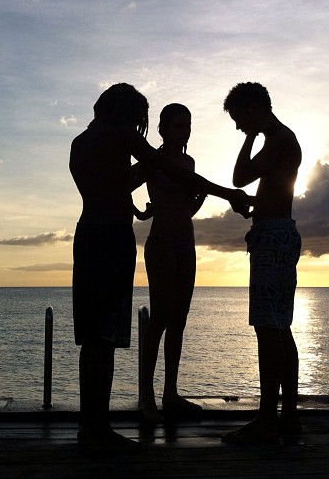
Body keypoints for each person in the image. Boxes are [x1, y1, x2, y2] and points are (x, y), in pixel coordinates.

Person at [69, 83, 251, 452]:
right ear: (126, 112)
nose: (140, 126)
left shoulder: (80, 143)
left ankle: (91, 427)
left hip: (87, 236)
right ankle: (101, 429)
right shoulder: (122, 136)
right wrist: (229, 194)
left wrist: (138, 208)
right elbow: (171, 171)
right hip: (113, 239)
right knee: (106, 337)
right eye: (139, 118)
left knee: (92, 338)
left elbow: (113, 186)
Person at [221, 82, 302, 444]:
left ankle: (268, 419)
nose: (239, 126)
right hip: (276, 232)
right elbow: (273, 190)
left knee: (269, 327)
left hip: (273, 237)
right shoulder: (282, 140)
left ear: (255, 108)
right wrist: (256, 205)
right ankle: (288, 416)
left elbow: (240, 176)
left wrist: (250, 137)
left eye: (240, 118)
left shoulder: (278, 139)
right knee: (280, 326)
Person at [132, 103, 206, 423]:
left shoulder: (189, 163)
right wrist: (141, 211)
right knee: (160, 317)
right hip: (161, 244)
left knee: (179, 320)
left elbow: (187, 206)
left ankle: (170, 393)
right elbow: (122, 183)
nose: (184, 131)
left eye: (187, 126)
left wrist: (200, 196)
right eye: (178, 126)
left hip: (186, 246)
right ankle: (146, 395)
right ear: (162, 128)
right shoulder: (152, 160)